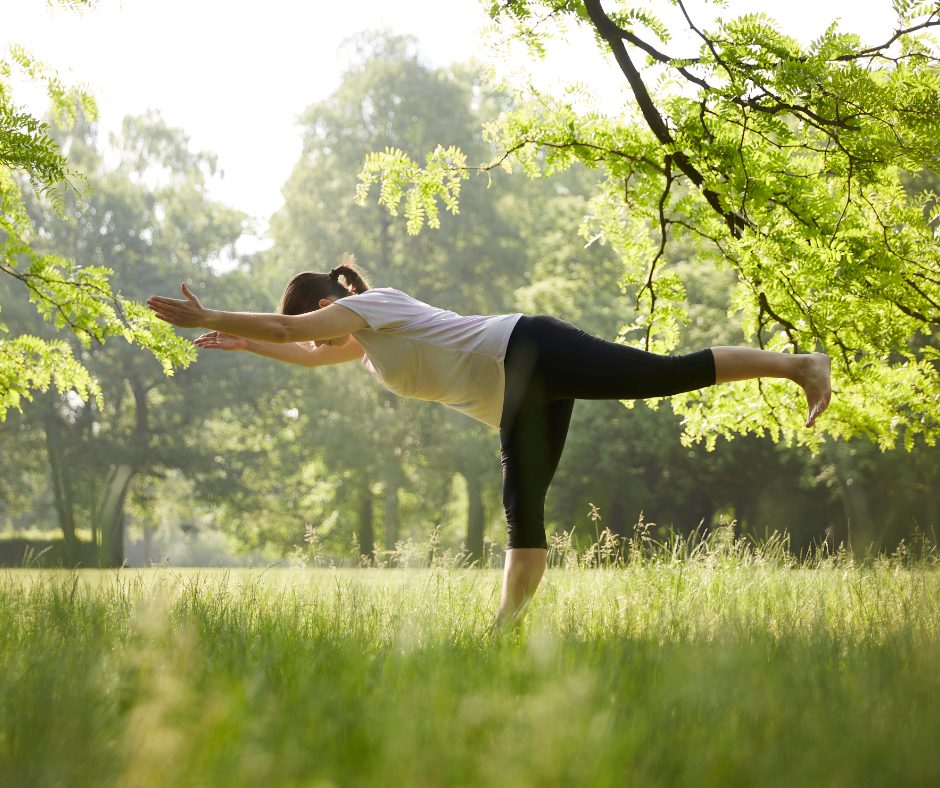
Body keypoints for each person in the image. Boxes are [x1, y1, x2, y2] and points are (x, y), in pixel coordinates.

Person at [147, 257, 831, 630]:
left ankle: (799, 364)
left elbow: (295, 333)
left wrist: (213, 314)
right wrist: (247, 344)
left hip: (527, 349)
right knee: (524, 504)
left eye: (318, 325)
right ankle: (504, 634)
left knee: (659, 377)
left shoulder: (376, 305)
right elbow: (301, 348)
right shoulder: (366, 346)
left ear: (326, 308)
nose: (322, 338)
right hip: (523, 389)